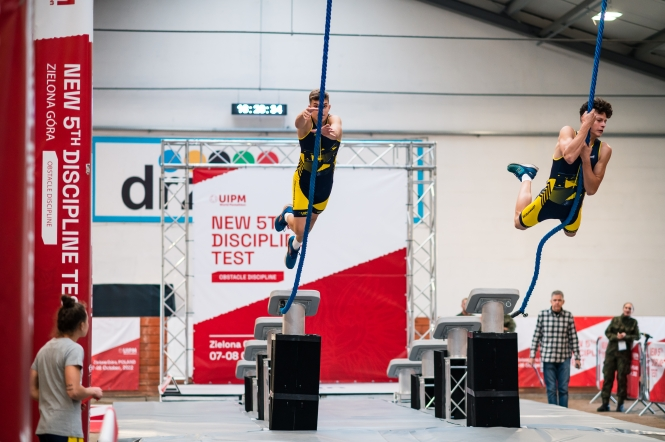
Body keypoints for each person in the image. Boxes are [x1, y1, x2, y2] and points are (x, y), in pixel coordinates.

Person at [508, 98, 613, 236]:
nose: (603, 124)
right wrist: (585, 127)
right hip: (551, 198)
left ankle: (528, 177)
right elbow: (569, 157)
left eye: (605, 121)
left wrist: (586, 160)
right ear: (584, 118)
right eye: (599, 120)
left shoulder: (604, 149)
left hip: (573, 205)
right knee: (518, 223)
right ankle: (526, 176)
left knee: (571, 234)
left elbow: (591, 190)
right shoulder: (568, 132)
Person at [274, 89, 343, 269]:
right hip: (304, 182)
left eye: (324, 106)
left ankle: (294, 246)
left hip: (324, 183)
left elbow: (336, 131)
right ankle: (286, 214)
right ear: (310, 107)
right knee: (300, 229)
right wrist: (303, 115)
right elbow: (298, 123)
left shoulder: (334, 120)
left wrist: (325, 133)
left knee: (307, 228)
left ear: (329, 107)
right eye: (316, 106)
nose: (320, 110)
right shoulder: (306, 123)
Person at [30, 295, 103, 442]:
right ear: (81, 325)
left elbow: (33, 390)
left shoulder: (44, 349)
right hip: (66, 430)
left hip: (45, 429)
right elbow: (74, 390)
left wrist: (64, 402)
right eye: (87, 321)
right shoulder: (74, 349)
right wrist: (93, 391)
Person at [529, 290, 581, 408]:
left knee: (563, 389)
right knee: (551, 389)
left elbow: (573, 337)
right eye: (555, 300)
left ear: (563, 302)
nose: (557, 302)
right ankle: (553, 413)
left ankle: (563, 413)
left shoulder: (568, 316)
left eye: (559, 300)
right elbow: (536, 336)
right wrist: (532, 356)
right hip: (548, 359)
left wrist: (577, 358)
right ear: (551, 301)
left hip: (564, 359)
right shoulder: (542, 315)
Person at [597, 302, 640, 413]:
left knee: (622, 379)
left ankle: (620, 404)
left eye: (630, 308)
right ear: (623, 308)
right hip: (611, 352)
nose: (627, 310)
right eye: (626, 307)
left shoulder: (633, 322)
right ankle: (605, 403)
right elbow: (607, 332)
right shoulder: (615, 319)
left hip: (624, 355)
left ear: (632, 311)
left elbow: (637, 336)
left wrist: (626, 336)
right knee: (608, 377)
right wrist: (616, 337)